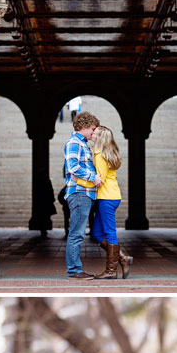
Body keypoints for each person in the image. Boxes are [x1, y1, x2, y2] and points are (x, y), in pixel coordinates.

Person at [80, 125, 133, 279]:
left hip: (107, 197)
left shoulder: (99, 154)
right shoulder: (103, 152)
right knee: (97, 233)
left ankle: (111, 271)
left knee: (110, 233)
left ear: (100, 137)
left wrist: (80, 182)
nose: (92, 134)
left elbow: (99, 180)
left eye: (95, 133)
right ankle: (123, 258)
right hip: (109, 196)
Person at [63, 111, 102, 278]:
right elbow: (73, 168)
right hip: (79, 193)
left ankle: (75, 269)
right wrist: (93, 178)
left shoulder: (83, 144)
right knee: (77, 233)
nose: (94, 132)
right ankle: (74, 270)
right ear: (84, 127)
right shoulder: (74, 143)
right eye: (93, 129)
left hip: (85, 193)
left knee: (78, 232)